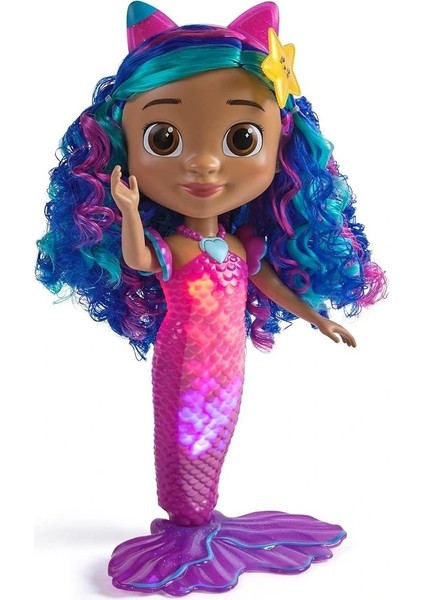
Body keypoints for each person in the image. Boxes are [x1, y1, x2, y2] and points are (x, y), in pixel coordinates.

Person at [36, 2, 386, 594]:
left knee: (216, 438)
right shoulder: (175, 244)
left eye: (242, 138)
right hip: (184, 365)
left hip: (228, 367)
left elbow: (268, 282)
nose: (202, 162)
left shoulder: (240, 244)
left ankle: (203, 518)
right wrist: (128, 210)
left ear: (283, 148)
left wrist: (317, 318)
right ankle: (186, 524)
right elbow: (139, 260)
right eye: (164, 138)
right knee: (184, 443)